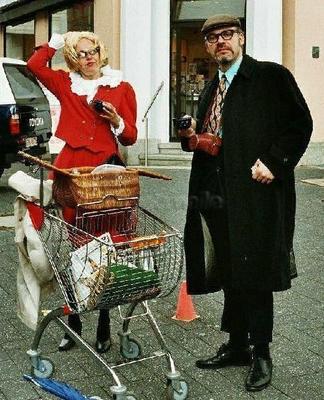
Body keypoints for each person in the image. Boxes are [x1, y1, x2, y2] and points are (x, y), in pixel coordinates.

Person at [178, 15, 312, 392]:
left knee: (255, 272)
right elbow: (216, 138)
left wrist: (274, 161)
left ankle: (261, 353)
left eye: (227, 35)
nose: (221, 42)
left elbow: (299, 125)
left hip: (257, 194)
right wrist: (192, 137)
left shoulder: (270, 77)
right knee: (229, 270)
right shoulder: (210, 88)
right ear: (207, 46)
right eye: (213, 38)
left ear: (241, 38)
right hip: (216, 195)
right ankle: (237, 345)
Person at [27, 31, 137, 353]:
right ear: (75, 58)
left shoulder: (122, 87)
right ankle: (74, 320)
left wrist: (116, 120)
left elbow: (130, 136)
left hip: (105, 174)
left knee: (106, 246)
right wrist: (59, 40)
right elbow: (35, 64)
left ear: (101, 54)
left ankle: (103, 321)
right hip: (71, 171)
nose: (89, 58)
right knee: (76, 247)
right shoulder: (66, 84)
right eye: (82, 53)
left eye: (93, 52)